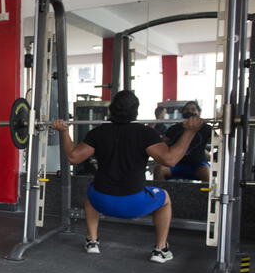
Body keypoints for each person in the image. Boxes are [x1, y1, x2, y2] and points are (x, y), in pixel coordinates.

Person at [50, 90, 203, 263]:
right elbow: (170, 159)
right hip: (134, 205)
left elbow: (73, 157)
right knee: (165, 198)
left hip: (102, 201)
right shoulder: (145, 133)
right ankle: (160, 249)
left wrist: (63, 131)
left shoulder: (98, 132)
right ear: (136, 112)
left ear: (111, 110)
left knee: (91, 193)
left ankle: (92, 241)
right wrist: (190, 132)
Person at [153, 101, 211, 182]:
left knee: (206, 171)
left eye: (193, 109)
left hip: (197, 166)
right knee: (159, 169)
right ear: (182, 112)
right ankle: (162, 193)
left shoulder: (206, 128)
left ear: (199, 112)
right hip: (175, 164)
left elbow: (219, 140)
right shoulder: (174, 128)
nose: (189, 111)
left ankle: (207, 194)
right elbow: (162, 143)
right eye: (186, 109)